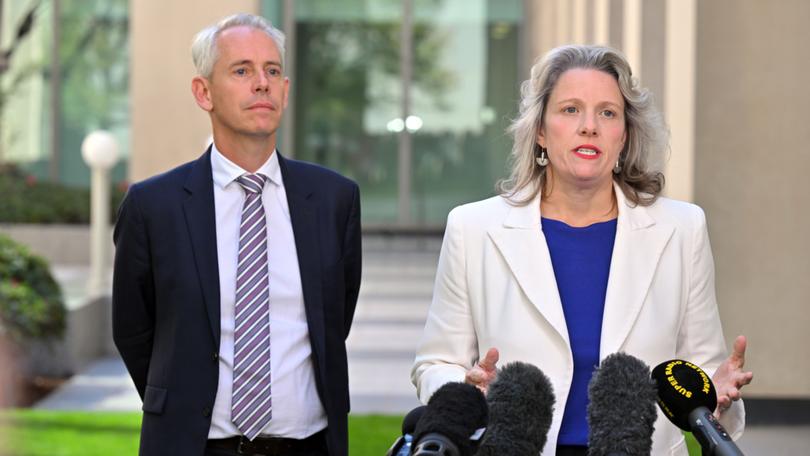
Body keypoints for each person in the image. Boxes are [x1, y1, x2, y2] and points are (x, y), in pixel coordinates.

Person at [411, 44, 752, 456]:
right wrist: (465, 392)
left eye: (607, 113)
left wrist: (715, 396)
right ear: (539, 130)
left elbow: (701, 373)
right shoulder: (473, 228)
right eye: (570, 109)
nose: (589, 126)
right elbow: (435, 364)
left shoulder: (682, 228)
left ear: (624, 134)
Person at [112, 13, 361, 456]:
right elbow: (134, 331)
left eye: (273, 71)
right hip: (194, 446)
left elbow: (333, 322)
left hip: (309, 445)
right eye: (242, 70)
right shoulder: (154, 206)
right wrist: (180, 404)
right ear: (203, 92)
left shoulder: (334, 199)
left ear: (285, 90)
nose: (261, 83)